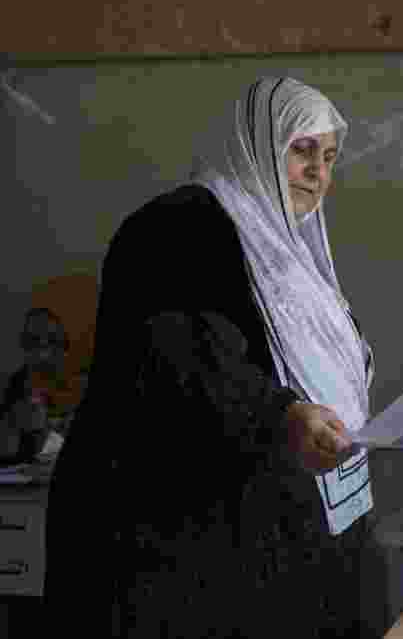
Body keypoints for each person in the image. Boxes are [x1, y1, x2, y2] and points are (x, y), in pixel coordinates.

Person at [44, 77, 378, 638]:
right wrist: (283, 414)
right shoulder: (180, 225)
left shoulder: (291, 257)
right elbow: (176, 355)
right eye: (300, 150)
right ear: (255, 146)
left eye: (329, 156)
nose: (319, 173)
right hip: (171, 538)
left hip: (262, 526)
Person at [0, 273, 98, 460]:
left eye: (54, 343)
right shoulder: (18, 384)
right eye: (32, 342)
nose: (42, 355)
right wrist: (12, 425)